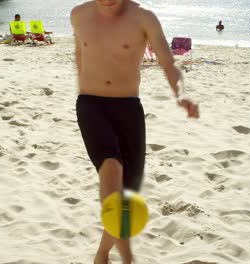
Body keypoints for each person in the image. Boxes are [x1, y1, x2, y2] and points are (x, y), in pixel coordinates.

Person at [70, 1, 199, 263]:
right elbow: (79, 55)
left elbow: (168, 61)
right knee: (111, 168)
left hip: (128, 109)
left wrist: (181, 93)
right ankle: (129, 260)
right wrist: (82, 90)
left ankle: (102, 254)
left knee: (127, 197)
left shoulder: (144, 18)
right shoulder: (79, 14)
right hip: (91, 106)